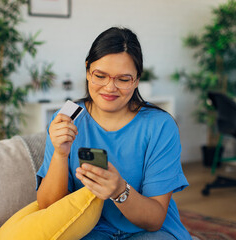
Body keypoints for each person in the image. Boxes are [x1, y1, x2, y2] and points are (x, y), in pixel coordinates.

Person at [36, 27, 192, 240]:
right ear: (87, 70)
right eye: (100, 76)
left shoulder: (160, 126)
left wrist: (120, 190)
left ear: (136, 80)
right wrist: (60, 155)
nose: (110, 87)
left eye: (123, 79)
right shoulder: (67, 118)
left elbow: (154, 220)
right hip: (89, 231)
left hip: (148, 232)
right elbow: (48, 208)